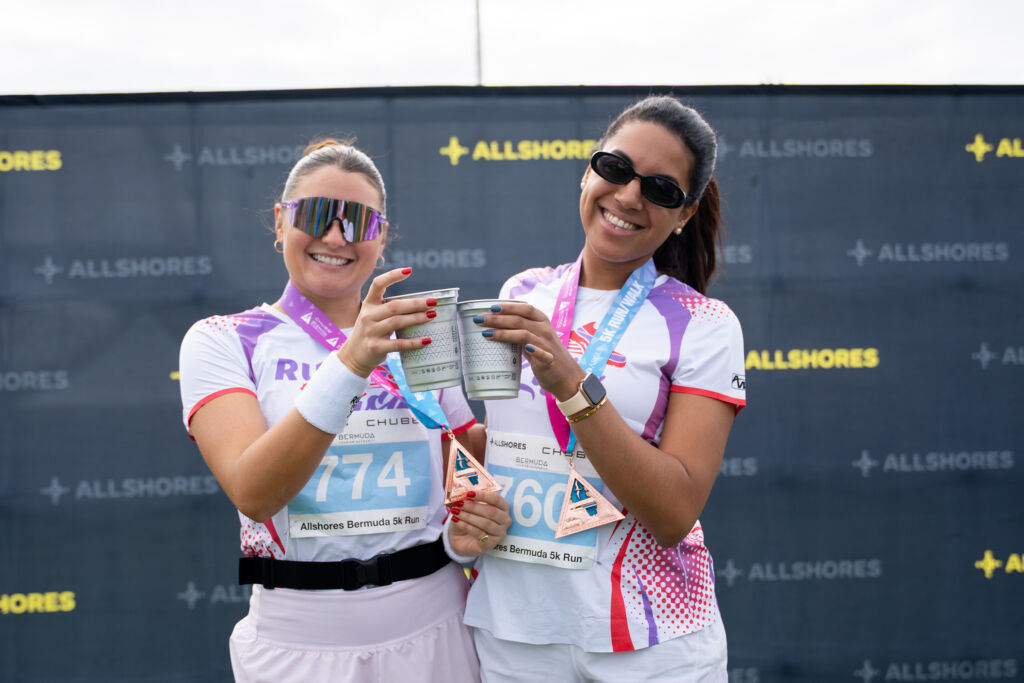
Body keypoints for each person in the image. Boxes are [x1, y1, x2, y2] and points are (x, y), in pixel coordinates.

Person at [178, 138, 510, 682]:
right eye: (316, 215)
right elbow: (255, 492)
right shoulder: (225, 339)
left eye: (358, 221)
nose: (336, 237)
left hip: (438, 624)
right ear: (280, 222)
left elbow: (469, 461)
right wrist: (352, 361)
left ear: (381, 237)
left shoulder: (419, 334)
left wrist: (549, 404)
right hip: (298, 643)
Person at [463, 96, 747, 681]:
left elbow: (673, 512)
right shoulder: (523, 291)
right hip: (516, 631)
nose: (629, 196)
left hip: (651, 639)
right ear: (588, 172)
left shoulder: (705, 322)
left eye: (661, 190)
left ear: (686, 213)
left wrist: (573, 385)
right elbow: (504, 445)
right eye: (615, 168)